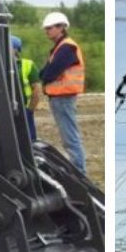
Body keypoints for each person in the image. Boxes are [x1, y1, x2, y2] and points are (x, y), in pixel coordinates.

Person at [39, 11, 86, 173]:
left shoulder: (67, 47)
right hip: (60, 97)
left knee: (70, 139)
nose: (47, 31)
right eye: (46, 29)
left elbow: (50, 72)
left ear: (61, 28)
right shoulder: (60, 47)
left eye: (50, 28)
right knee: (69, 138)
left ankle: (79, 173)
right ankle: (78, 171)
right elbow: (44, 72)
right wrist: (44, 75)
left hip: (63, 97)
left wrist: (44, 76)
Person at [10, 34, 42, 141]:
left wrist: (29, 110)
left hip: (24, 109)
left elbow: (37, 90)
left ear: (16, 49)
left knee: (28, 139)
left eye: (9, 47)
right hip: (6, 110)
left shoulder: (27, 65)